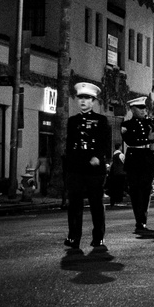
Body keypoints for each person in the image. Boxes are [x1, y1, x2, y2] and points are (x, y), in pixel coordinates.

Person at [64, 82, 111, 249]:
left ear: (93, 101)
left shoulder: (101, 120)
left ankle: (98, 236)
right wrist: (67, 167)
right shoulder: (72, 121)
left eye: (87, 98)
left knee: (96, 204)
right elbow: (69, 146)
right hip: (76, 167)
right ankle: (73, 237)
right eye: (81, 98)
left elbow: (105, 143)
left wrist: (98, 156)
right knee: (74, 204)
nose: (83, 101)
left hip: (94, 169)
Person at [122, 96, 154, 233]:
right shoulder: (126, 125)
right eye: (140, 108)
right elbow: (130, 141)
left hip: (148, 160)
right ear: (132, 109)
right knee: (135, 191)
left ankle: (142, 218)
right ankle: (139, 218)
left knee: (146, 190)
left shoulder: (151, 123)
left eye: (144, 108)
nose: (143, 110)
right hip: (134, 160)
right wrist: (147, 139)